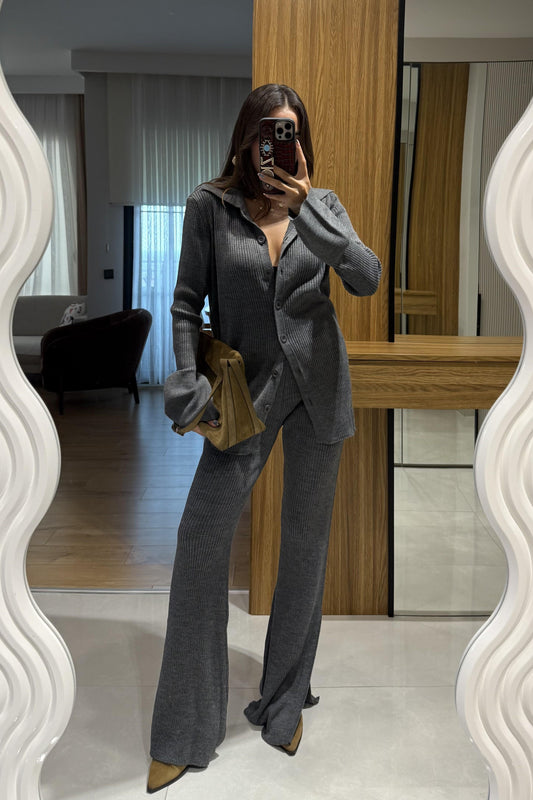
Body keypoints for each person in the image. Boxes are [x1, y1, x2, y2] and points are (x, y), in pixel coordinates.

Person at [147, 83, 382, 794]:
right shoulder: (208, 206)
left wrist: (308, 206)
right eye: (267, 132)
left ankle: (283, 702)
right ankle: (185, 728)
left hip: (318, 390)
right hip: (242, 395)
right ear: (245, 138)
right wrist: (185, 378)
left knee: (305, 547)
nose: (279, 144)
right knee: (200, 543)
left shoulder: (323, 205)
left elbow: (365, 278)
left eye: (291, 131)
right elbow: (185, 303)